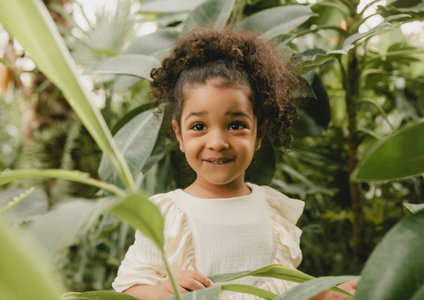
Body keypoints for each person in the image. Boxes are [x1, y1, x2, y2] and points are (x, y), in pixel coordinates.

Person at [112, 28, 356, 300]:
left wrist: (326, 294)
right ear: (179, 135)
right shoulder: (167, 214)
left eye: (236, 125)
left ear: (259, 133)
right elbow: (129, 288)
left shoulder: (272, 211)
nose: (217, 142)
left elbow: (282, 289)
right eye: (199, 126)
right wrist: (160, 291)